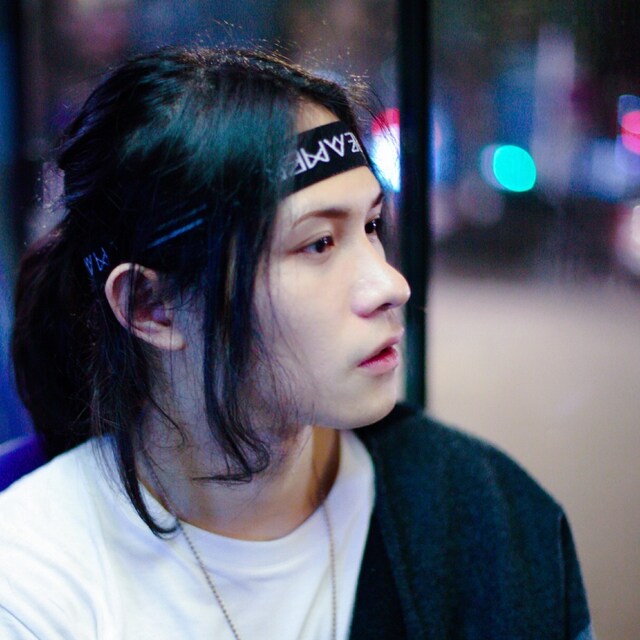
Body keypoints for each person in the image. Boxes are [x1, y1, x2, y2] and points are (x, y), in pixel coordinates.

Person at [0, 47, 594, 640]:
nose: (391, 285)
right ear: (151, 306)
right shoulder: (31, 587)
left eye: (370, 226)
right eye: (317, 244)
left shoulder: (492, 518)